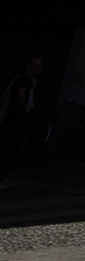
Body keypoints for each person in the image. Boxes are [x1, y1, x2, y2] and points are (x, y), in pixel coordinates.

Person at [0, 58, 40, 188]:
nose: (39, 68)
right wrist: (23, 106)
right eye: (37, 65)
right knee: (8, 147)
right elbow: (21, 94)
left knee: (9, 147)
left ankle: (3, 176)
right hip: (16, 119)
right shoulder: (25, 80)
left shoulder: (25, 79)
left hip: (15, 118)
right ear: (29, 67)